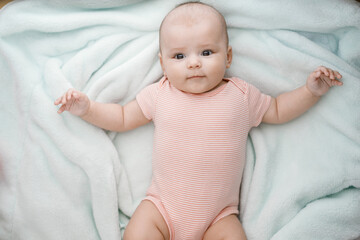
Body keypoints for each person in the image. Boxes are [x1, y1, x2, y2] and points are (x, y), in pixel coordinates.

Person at [54, 2, 343, 240]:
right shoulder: (160, 93)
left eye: (206, 52)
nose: (193, 63)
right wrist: (87, 108)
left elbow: (279, 109)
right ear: (163, 64)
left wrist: (310, 91)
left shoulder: (240, 95)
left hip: (219, 218)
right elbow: (121, 117)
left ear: (227, 56)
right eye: (179, 55)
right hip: (161, 210)